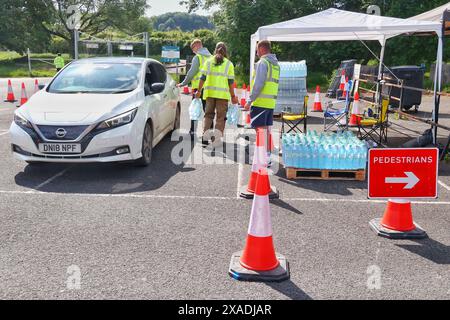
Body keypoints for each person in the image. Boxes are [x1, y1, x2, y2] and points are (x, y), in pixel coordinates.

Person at [244, 40, 280, 164]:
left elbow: (258, 84)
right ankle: (266, 154)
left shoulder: (262, 63)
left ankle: (265, 157)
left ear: (262, 49)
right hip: (270, 103)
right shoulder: (275, 65)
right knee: (265, 130)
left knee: (261, 130)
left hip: (260, 102)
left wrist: (249, 100)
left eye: (257, 50)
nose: (257, 53)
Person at [196, 42, 238, 147]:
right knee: (220, 117)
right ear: (226, 51)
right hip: (222, 96)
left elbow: (202, 78)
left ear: (215, 50)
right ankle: (216, 140)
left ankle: (205, 138)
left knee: (208, 115)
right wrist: (233, 96)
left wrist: (198, 91)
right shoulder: (229, 64)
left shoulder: (208, 62)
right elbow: (231, 82)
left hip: (209, 94)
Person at [177, 39, 212, 137]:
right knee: (208, 112)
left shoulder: (198, 57)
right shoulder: (212, 57)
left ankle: (193, 132)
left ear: (197, 46)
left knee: (195, 110)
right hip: (210, 89)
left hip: (198, 89)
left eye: (193, 48)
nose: (193, 51)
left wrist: (183, 83)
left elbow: (192, 73)